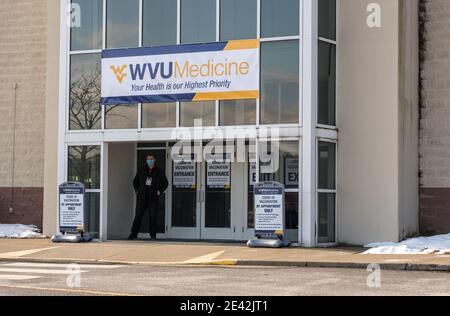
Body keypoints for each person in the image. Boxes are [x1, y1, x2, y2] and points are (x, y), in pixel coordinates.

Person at [128, 155, 168, 240]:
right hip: (142, 198)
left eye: (151, 159)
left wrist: (159, 191)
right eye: (148, 159)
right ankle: (133, 234)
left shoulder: (159, 171)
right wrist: (137, 190)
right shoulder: (141, 170)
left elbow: (165, 183)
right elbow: (135, 181)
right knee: (138, 216)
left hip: (153, 198)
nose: (150, 160)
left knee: (153, 217)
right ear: (146, 160)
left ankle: (153, 236)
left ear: (154, 160)